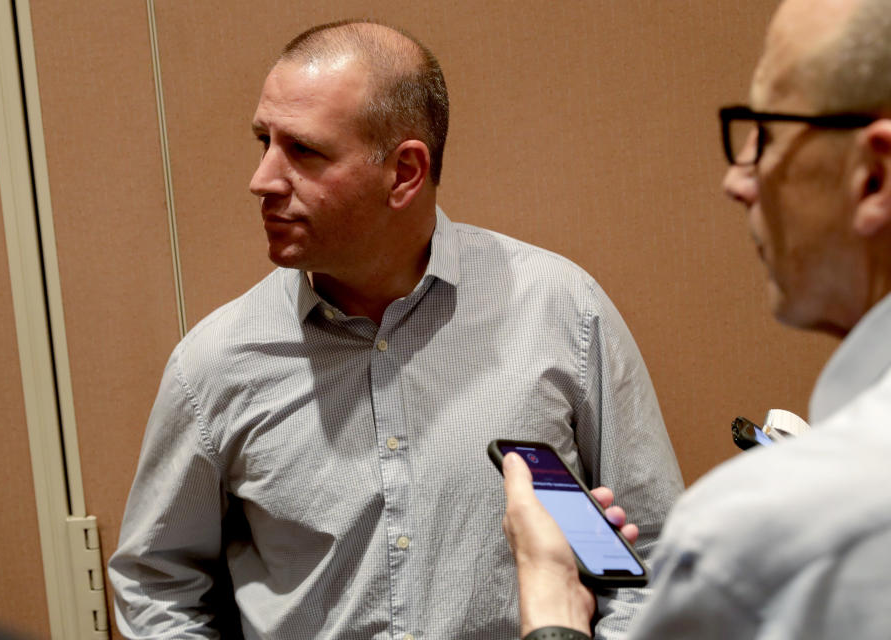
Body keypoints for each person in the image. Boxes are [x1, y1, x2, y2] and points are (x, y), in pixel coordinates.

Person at [108, 20, 683, 640]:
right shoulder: (215, 363)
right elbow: (157, 584)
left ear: (405, 172)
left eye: (302, 151)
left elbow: (655, 558)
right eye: (263, 142)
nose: (263, 180)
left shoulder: (562, 309)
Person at [501, 0, 891, 638]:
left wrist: (550, 603)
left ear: (873, 175)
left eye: (765, 134)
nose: (737, 179)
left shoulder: (760, 540)